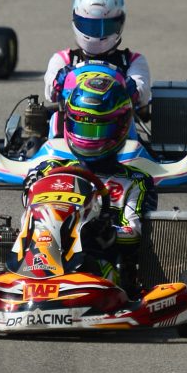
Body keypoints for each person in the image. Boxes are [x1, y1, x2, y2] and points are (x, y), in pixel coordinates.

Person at [29, 71, 157, 295]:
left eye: (96, 129)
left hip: (97, 262)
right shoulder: (48, 170)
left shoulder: (135, 182)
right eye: (82, 128)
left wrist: (102, 232)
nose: (88, 138)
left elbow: (134, 232)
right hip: (40, 253)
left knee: (97, 267)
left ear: (120, 128)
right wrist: (31, 185)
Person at [43, 0, 152, 122]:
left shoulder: (133, 61)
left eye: (106, 26)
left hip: (117, 126)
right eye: (88, 25)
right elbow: (51, 93)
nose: (96, 33)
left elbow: (142, 94)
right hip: (72, 124)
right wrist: (59, 81)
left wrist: (127, 86)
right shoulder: (63, 59)